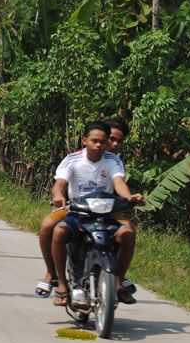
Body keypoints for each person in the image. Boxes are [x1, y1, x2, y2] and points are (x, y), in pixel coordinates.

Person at [35, 118, 131, 298]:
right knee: (49, 227)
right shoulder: (73, 159)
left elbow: (119, 182)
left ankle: (118, 280)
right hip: (76, 207)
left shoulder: (113, 161)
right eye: (96, 141)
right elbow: (60, 183)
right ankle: (54, 275)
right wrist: (58, 195)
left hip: (105, 208)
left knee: (128, 232)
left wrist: (129, 197)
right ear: (85, 140)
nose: (100, 145)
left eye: (104, 141)